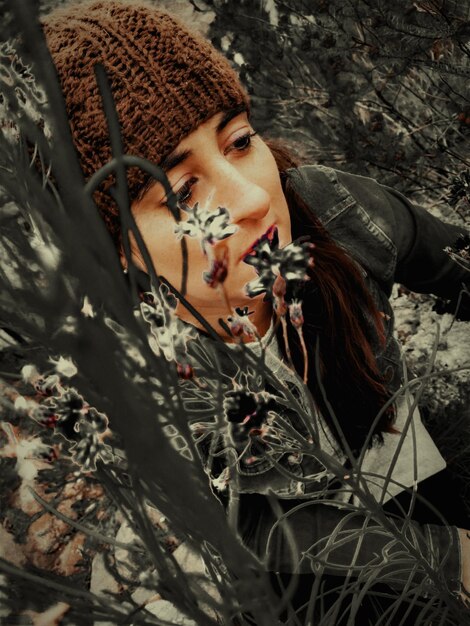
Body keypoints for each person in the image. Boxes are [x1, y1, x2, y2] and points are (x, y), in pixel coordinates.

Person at [39, 0, 469, 623]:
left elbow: (455, 268)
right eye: (181, 192)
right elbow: (240, 525)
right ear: (109, 254)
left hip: (415, 480)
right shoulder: (118, 373)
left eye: (240, 141)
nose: (250, 199)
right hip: (305, 581)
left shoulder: (336, 212)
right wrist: (449, 558)